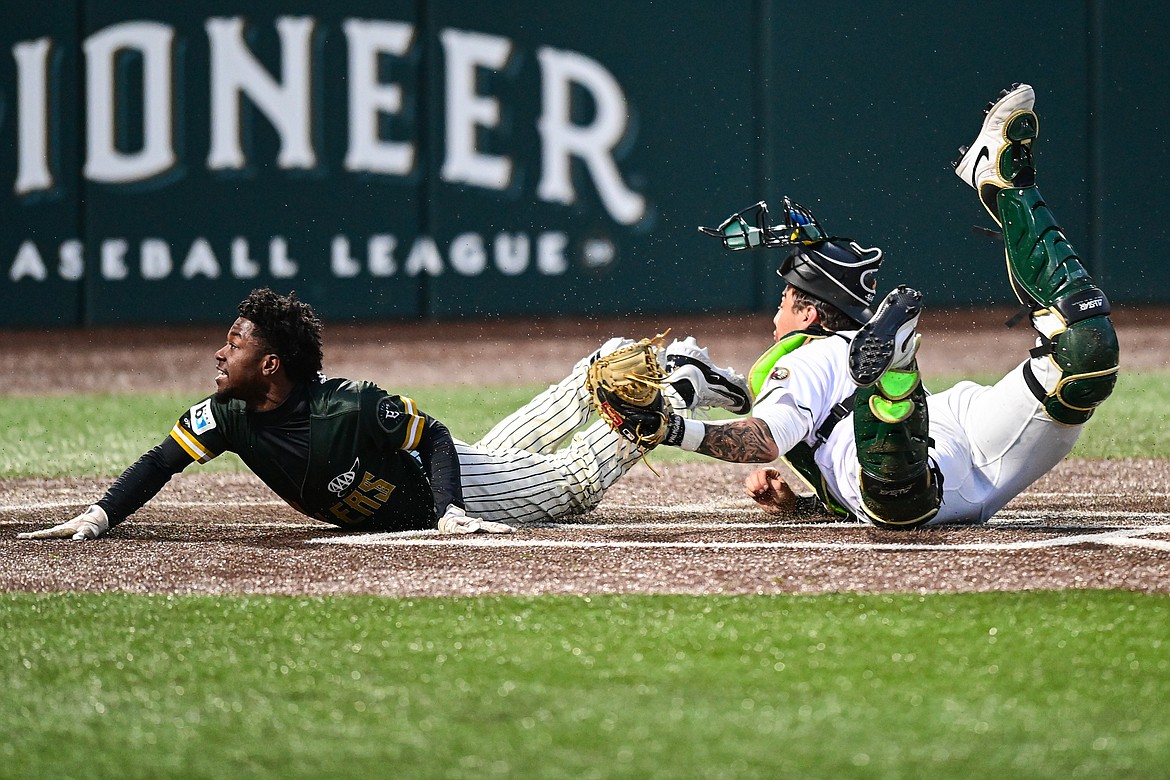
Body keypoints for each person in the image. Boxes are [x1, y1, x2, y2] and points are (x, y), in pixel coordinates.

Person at [646, 82, 1119, 528]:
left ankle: (895, 383)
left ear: (809, 315)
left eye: (785, 304)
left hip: (911, 473)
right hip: (957, 429)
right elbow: (832, 482)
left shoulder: (803, 359)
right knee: (1085, 357)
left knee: (900, 501)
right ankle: (1004, 184)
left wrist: (671, 431)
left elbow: (764, 441)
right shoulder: (840, 352)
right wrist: (802, 507)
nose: (775, 317)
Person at [16, 289, 750, 540]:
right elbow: (159, 462)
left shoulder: (350, 403)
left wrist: (450, 511)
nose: (220, 352)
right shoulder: (227, 416)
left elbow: (431, 437)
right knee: (505, 444)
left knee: (574, 483)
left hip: (449, 487)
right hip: (448, 475)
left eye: (234, 343)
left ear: (271, 365)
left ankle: (676, 383)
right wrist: (100, 515)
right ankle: (615, 363)